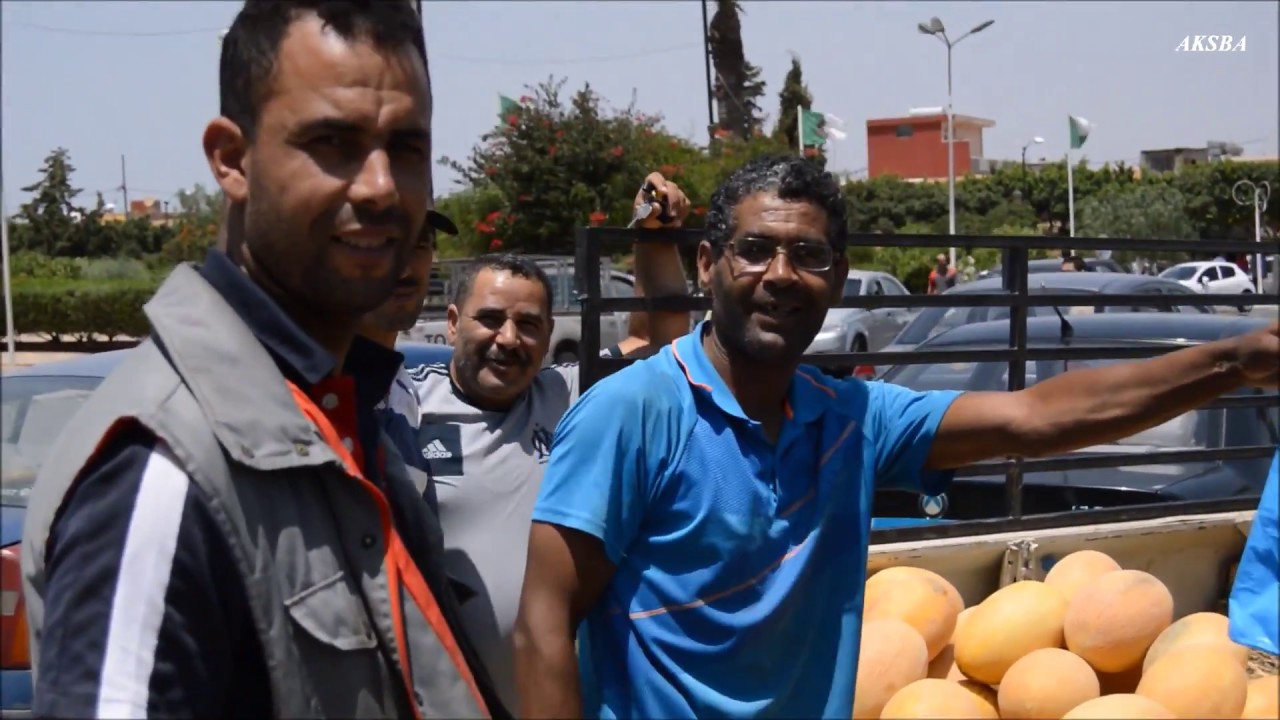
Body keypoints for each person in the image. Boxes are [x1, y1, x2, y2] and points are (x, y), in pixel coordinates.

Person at [512, 154, 1279, 719]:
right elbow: (545, 623)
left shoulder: (853, 417)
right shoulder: (634, 412)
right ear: (709, 263)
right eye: (756, 249)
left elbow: (1037, 416)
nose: (780, 273)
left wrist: (1236, 360)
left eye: (808, 256)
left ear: (838, 279)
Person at [21, 2, 506, 717]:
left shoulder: (339, 416)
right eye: (332, 141)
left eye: (405, 147)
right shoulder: (161, 474)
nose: (378, 186)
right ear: (232, 158)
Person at [406, 173, 691, 711]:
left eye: (528, 324)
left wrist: (651, 236)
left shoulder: (567, 395)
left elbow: (663, 346)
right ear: (450, 323)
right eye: (490, 319)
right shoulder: (407, 407)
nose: (508, 339)